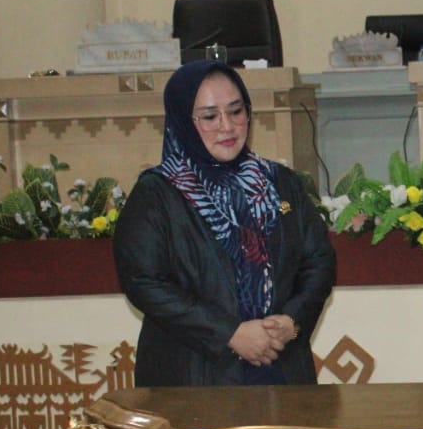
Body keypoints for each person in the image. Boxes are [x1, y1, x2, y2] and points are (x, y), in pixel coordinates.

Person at [114, 60, 335, 386]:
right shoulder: (157, 193)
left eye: (236, 111)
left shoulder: (280, 182)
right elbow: (144, 281)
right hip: (193, 375)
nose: (227, 127)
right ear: (182, 122)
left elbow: (318, 261)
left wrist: (292, 322)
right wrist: (229, 334)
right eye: (209, 116)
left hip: (281, 368)